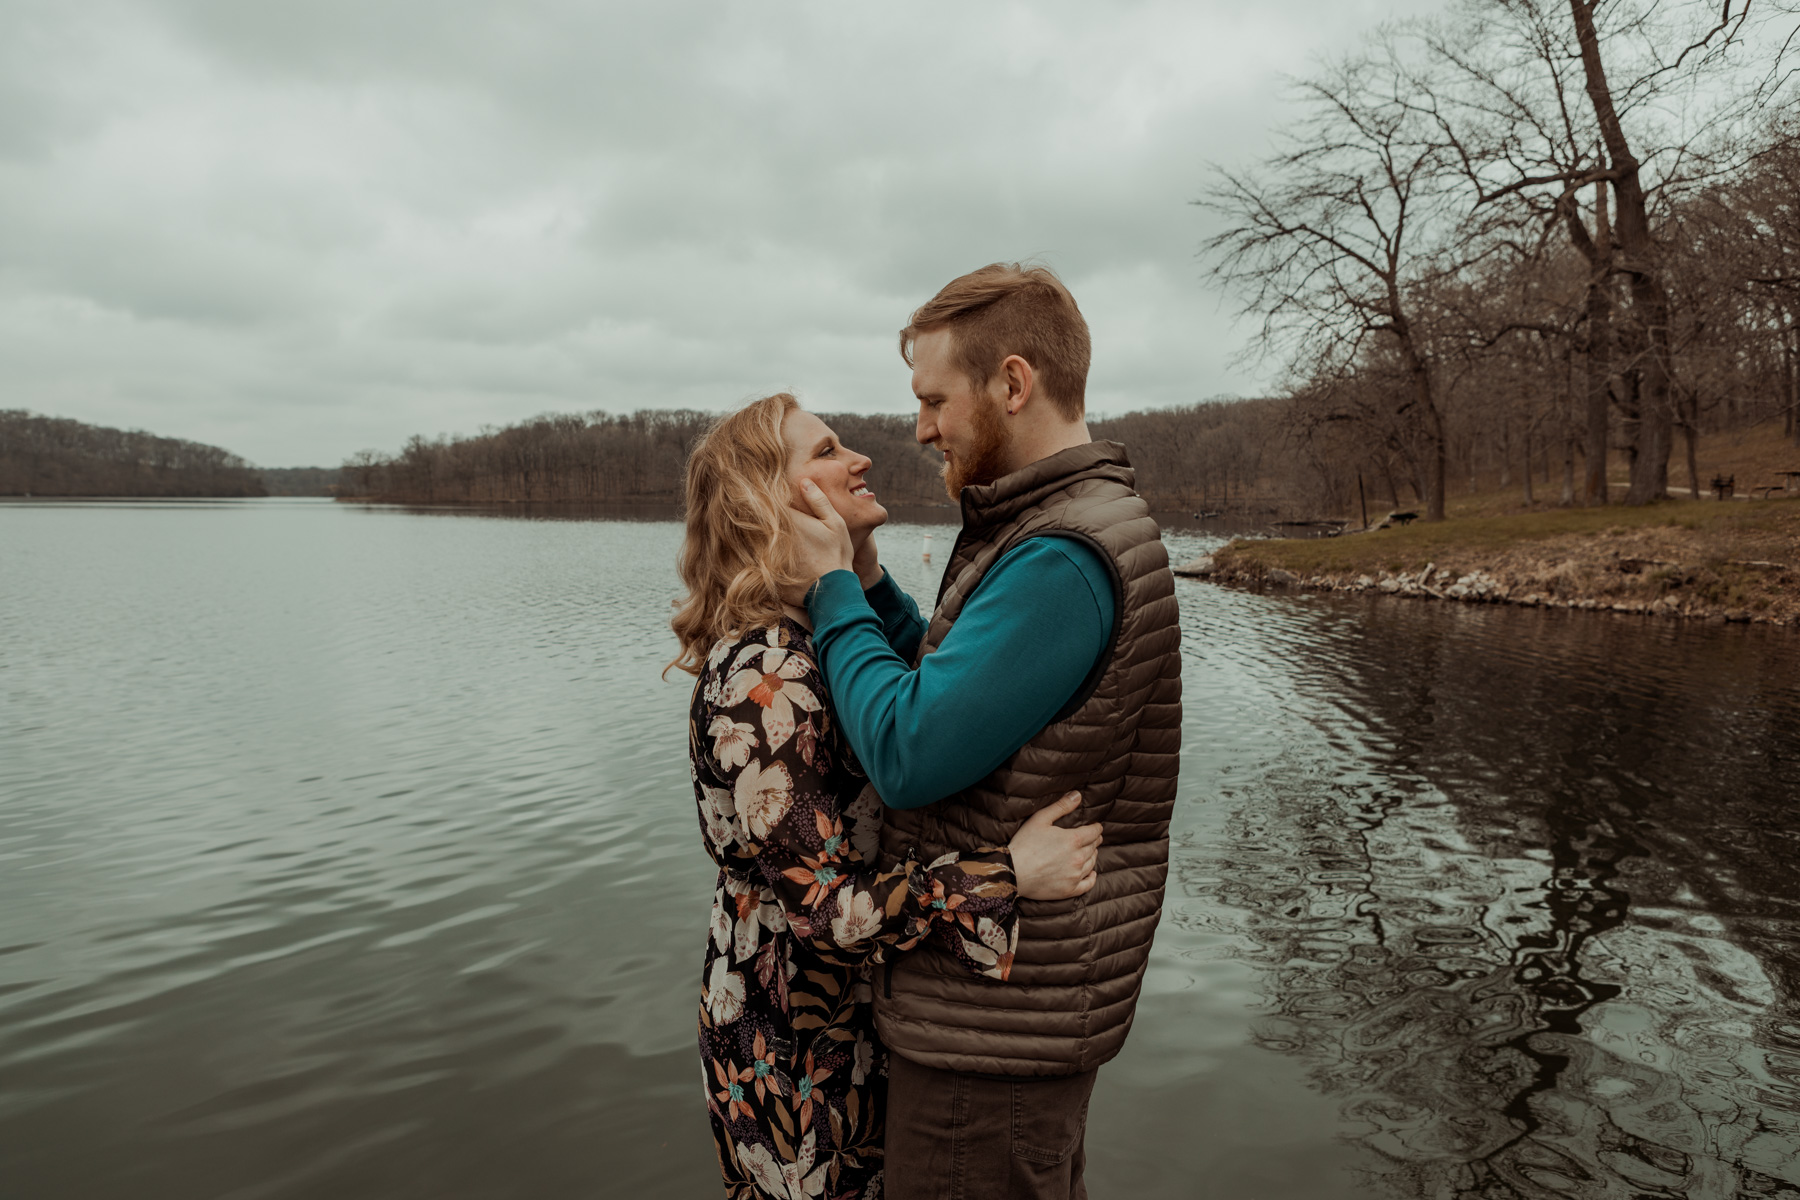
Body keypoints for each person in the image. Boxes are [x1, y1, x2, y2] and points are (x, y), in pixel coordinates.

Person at [783, 264, 1183, 1200]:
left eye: (933, 400)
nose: (920, 428)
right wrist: (876, 580)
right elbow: (965, 695)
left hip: (990, 1035)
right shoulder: (1059, 526)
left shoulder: (1061, 557)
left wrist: (832, 585)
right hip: (1008, 1016)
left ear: (1013, 382)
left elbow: (912, 750)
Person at [670, 391, 1105, 1200]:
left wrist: (858, 576)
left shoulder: (817, 639)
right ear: (776, 502)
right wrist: (1006, 873)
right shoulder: (769, 676)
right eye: (828, 451)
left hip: (846, 1023)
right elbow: (825, 913)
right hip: (791, 1045)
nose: (859, 458)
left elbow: (923, 702)